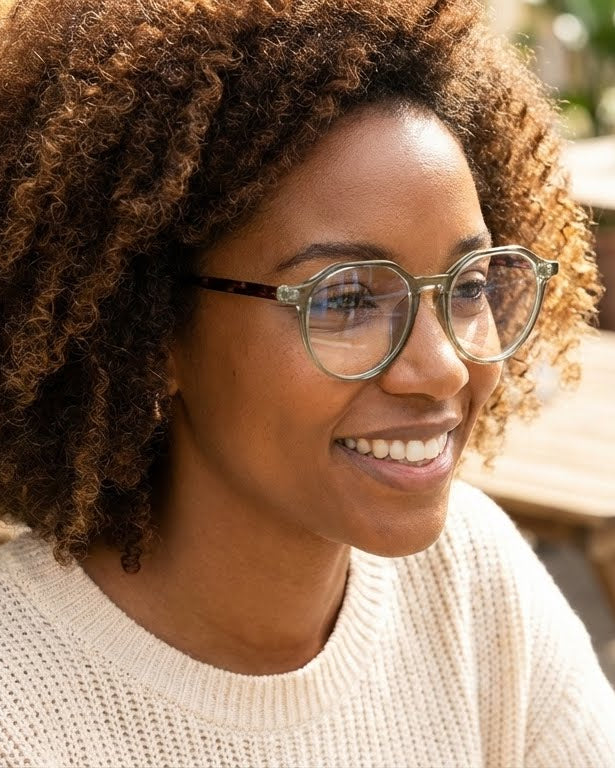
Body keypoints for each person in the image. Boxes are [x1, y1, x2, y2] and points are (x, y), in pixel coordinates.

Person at [0, 0, 614, 765]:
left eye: (468, 285)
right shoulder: (20, 713)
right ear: (151, 330)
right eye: (348, 299)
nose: (443, 367)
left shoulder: (470, 577)